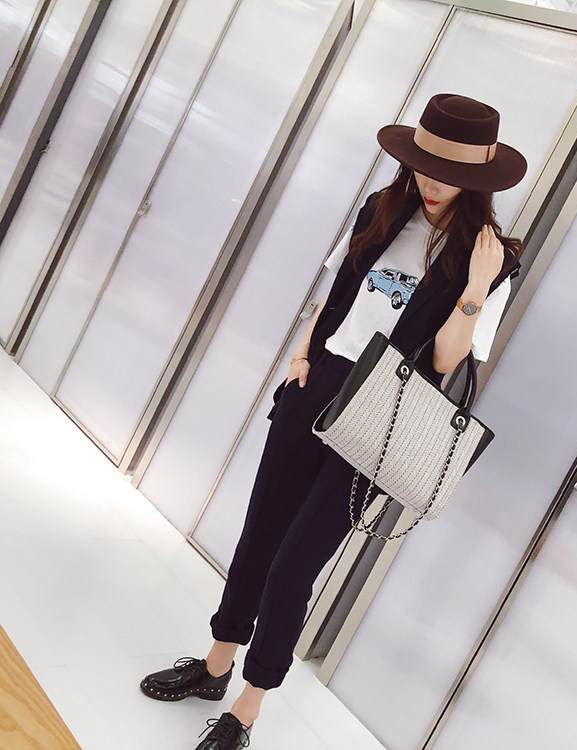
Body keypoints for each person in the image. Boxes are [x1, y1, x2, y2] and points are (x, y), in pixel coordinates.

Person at [140, 93, 527, 750]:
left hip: (381, 416)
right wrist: (301, 357)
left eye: (448, 173)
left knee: (294, 568)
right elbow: (334, 299)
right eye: (424, 165)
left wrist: (474, 288)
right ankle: (215, 665)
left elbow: (445, 361)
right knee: (259, 537)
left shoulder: (492, 258)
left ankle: (246, 711)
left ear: (478, 180)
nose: (432, 182)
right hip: (317, 385)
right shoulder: (381, 211)